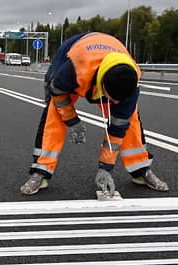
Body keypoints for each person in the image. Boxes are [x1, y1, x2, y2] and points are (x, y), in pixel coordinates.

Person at [20, 32, 169, 197]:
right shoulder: (75, 68)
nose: (116, 104)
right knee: (53, 112)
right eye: (112, 98)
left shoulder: (131, 85)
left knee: (130, 120)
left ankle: (141, 170)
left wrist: (105, 168)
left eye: (120, 100)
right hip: (74, 54)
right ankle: (40, 172)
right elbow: (58, 91)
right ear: (102, 84)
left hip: (105, 55)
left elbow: (117, 130)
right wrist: (72, 120)